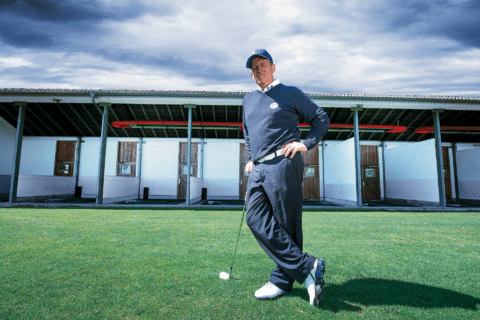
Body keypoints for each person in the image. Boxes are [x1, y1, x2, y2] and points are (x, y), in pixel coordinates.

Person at [242, 49, 330, 307]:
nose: (259, 70)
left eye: (263, 65)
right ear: (251, 74)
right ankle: (308, 266)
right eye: (254, 67)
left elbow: (320, 118)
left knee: (286, 223)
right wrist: (251, 156)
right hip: (258, 169)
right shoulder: (247, 100)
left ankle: (282, 279)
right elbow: (248, 132)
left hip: (283, 164)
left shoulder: (290, 93)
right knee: (254, 218)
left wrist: (307, 143)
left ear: (273, 67)